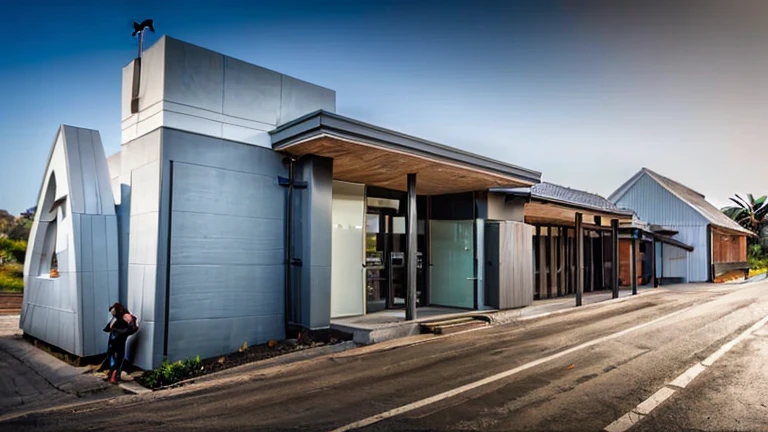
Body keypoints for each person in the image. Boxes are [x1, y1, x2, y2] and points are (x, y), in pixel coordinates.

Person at [102, 302, 136, 384]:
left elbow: (109, 327)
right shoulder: (124, 316)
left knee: (113, 357)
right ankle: (113, 377)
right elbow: (132, 328)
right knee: (119, 359)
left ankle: (110, 374)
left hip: (114, 339)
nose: (113, 314)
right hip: (119, 340)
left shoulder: (118, 318)